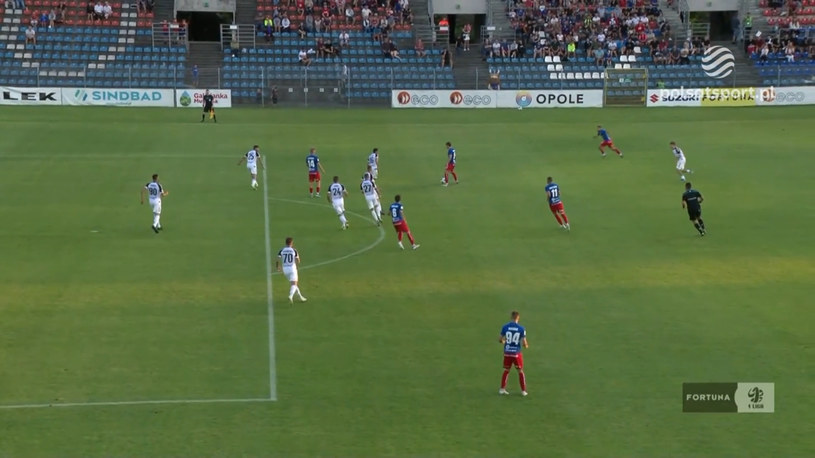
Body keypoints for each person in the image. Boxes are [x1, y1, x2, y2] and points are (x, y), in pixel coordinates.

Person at [499, 310, 528, 396]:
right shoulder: (521, 328)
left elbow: (500, 339)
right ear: (518, 318)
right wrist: (526, 345)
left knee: (506, 370)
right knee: (520, 371)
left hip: (507, 352)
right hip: (516, 353)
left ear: (511, 317)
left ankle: (502, 389)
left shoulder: (505, 327)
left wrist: (504, 342)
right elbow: (524, 342)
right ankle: (523, 391)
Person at [276, 237, 307, 303]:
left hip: (285, 269)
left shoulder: (282, 250)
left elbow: (277, 259)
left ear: (286, 243)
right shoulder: (294, 250)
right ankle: (290, 296)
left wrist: (278, 267)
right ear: (292, 243)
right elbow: (298, 260)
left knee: (293, 284)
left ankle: (300, 297)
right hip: (292, 269)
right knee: (294, 284)